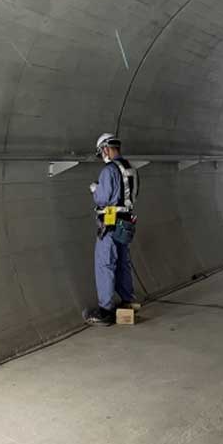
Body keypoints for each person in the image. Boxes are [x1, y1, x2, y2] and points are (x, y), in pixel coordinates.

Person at [83, 133, 140, 326]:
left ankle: (105, 310)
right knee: (123, 262)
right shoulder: (131, 168)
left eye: (101, 153)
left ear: (106, 149)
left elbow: (103, 198)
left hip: (110, 222)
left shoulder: (109, 171)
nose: (102, 156)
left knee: (105, 263)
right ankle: (127, 301)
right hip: (126, 222)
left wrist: (95, 189)